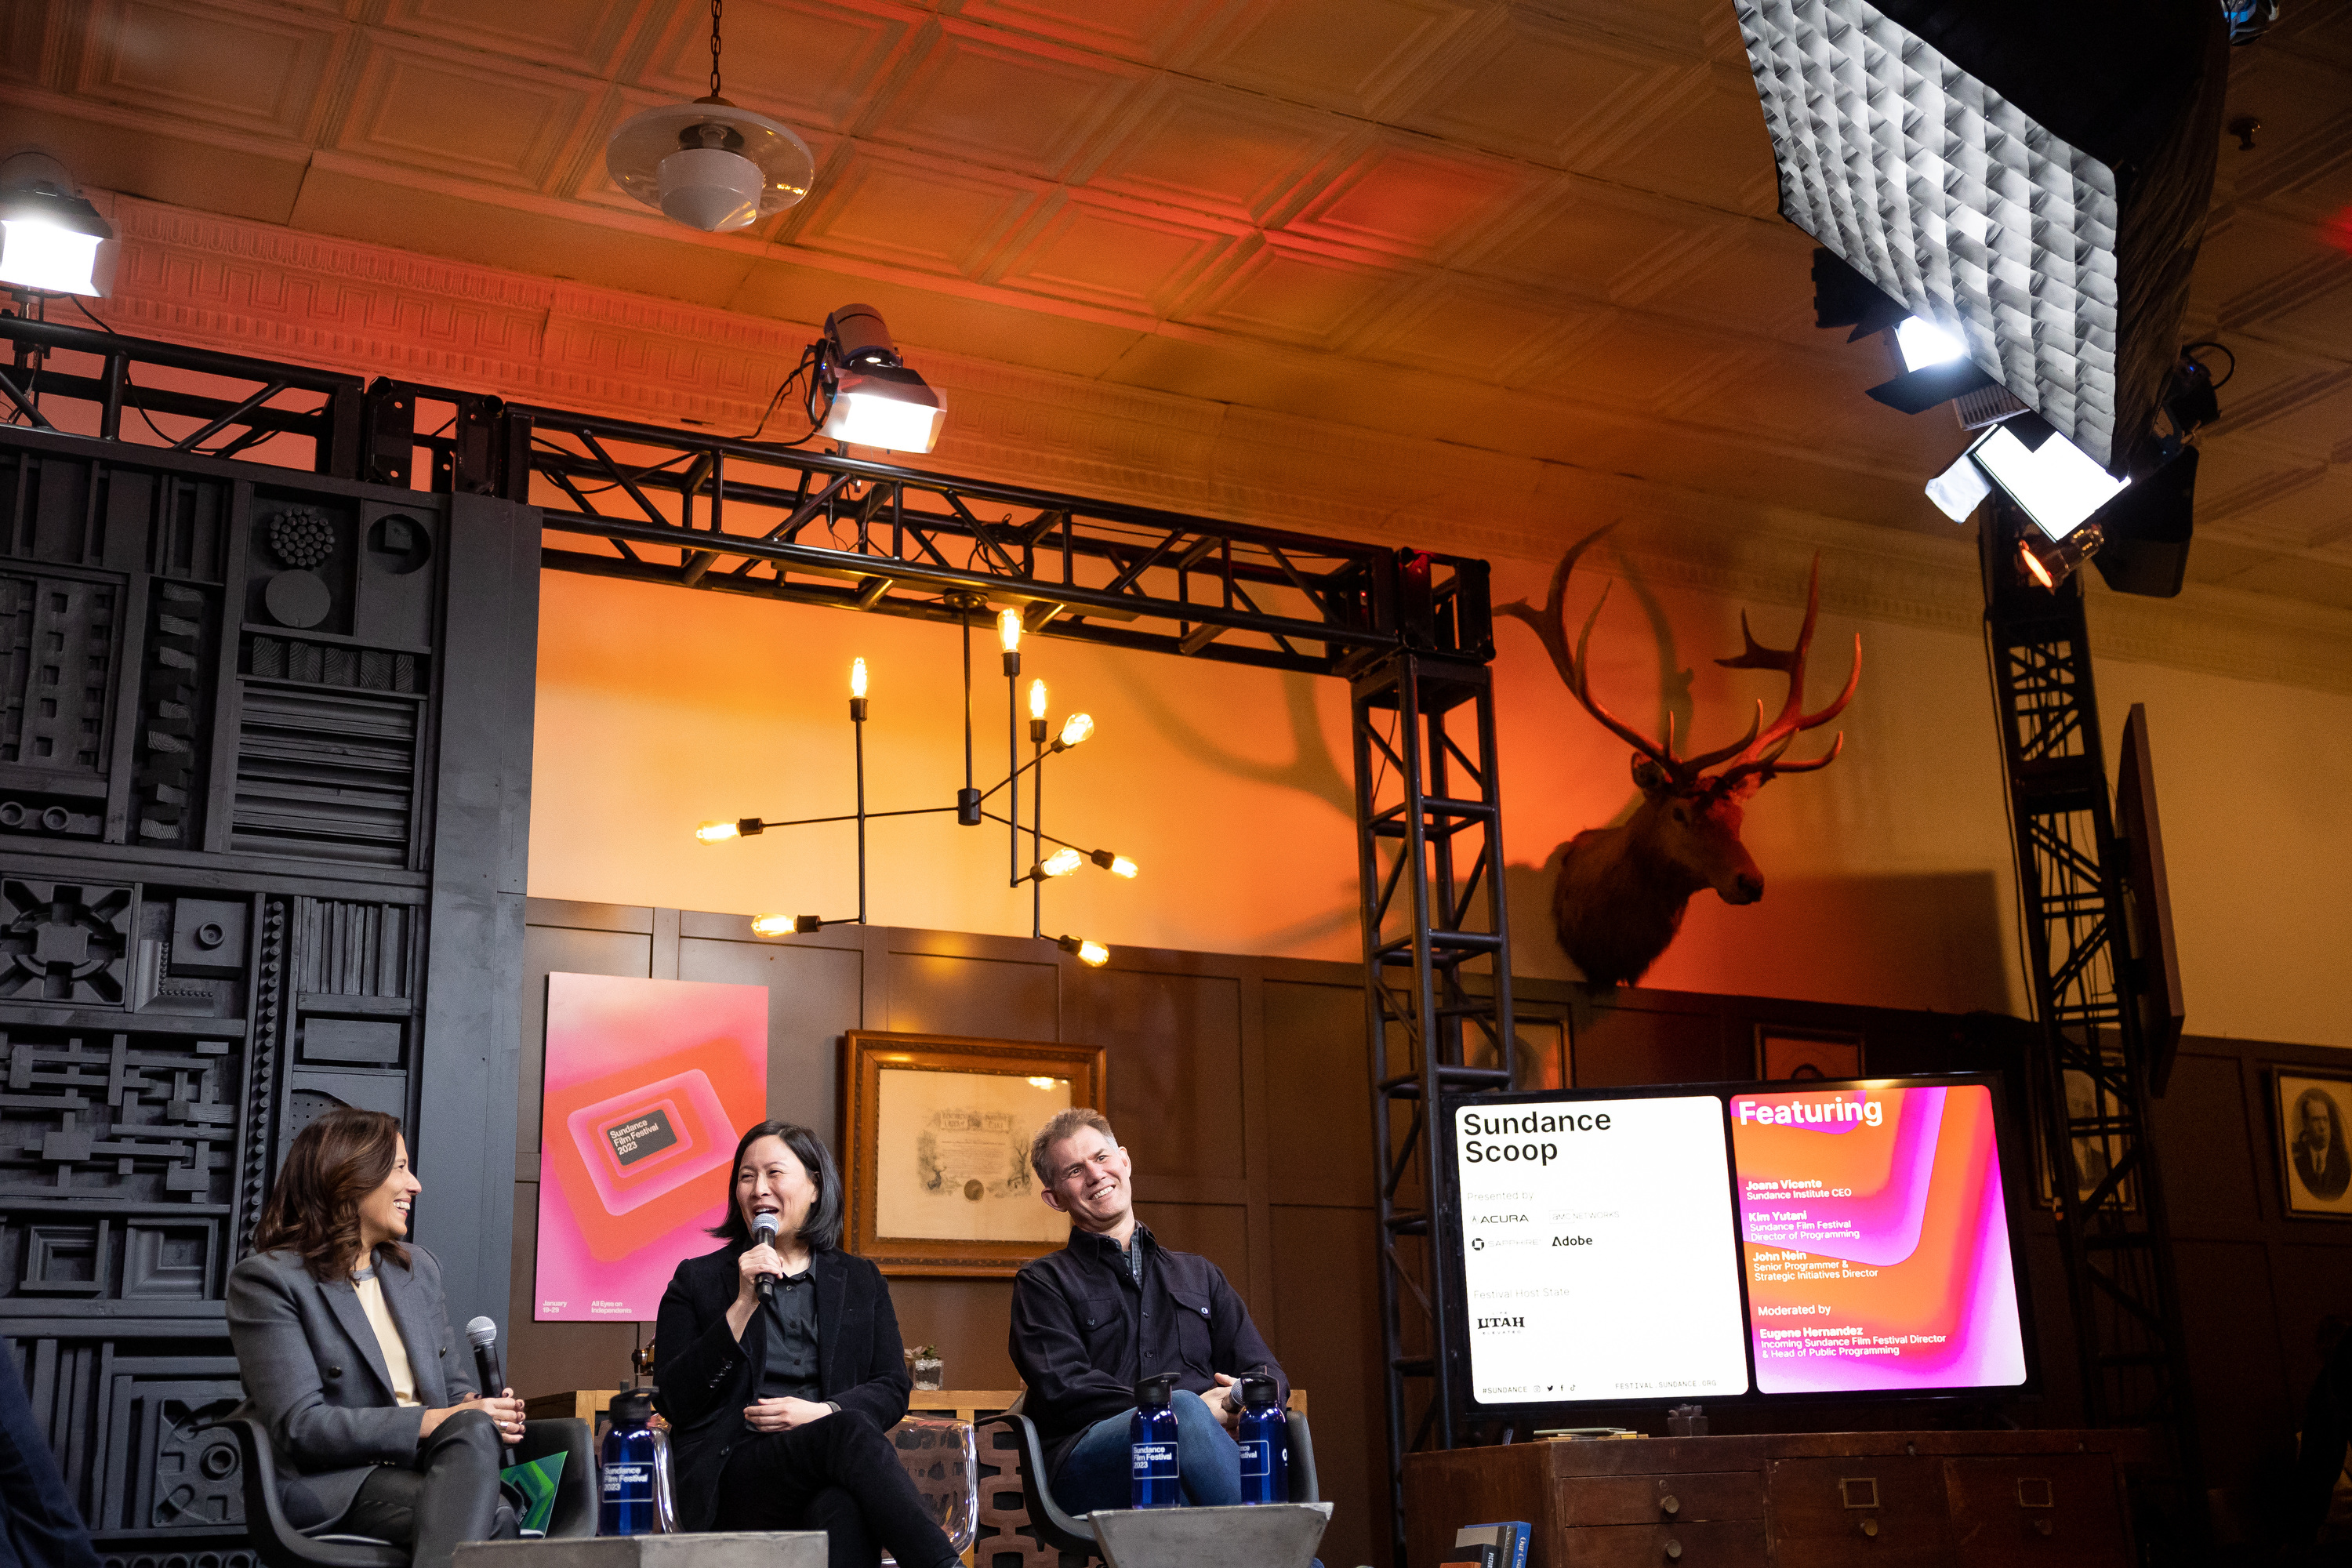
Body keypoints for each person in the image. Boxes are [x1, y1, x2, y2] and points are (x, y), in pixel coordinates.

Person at [653, 1121, 960, 1568]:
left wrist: (821, 1413)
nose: (759, 1189)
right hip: (735, 1473)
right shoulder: (697, 1280)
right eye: (746, 1176)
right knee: (851, 1431)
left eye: (775, 1173)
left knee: (844, 1506)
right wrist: (741, 1304)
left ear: (815, 1187)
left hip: (830, 1465)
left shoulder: (858, 1280)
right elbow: (675, 1399)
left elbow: (892, 1385)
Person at [227, 1110, 525, 1568]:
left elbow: (450, 1390)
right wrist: (434, 1420)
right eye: (400, 1168)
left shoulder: (417, 1270)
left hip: (433, 1469)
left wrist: (482, 1408)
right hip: (334, 1483)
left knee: (472, 1432)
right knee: (496, 1515)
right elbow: (301, 1427)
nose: (416, 1186)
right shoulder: (269, 1281)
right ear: (349, 1174)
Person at [1009, 1107, 1290, 1512]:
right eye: (1074, 1171)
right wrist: (1182, 1409)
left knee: (1188, 1476)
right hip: (1091, 1465)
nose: (1095, 1175)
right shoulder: (1042, 1283)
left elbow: (1266, 1372)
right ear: (1055, 1199)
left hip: (1201, 1456)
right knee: (1181, 1418)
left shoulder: (1201, 1275)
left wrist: (1236, 1401)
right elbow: (1066, 1389)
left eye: (1101, 1158)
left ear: (1124, 1160)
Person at [2296, 1089, 2350, 1203]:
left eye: (2325, 1120)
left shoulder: (2345, 1163)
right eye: (2316, 1120)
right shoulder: (2298, 1165)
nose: (2322, 1127)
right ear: (2306, 1125)